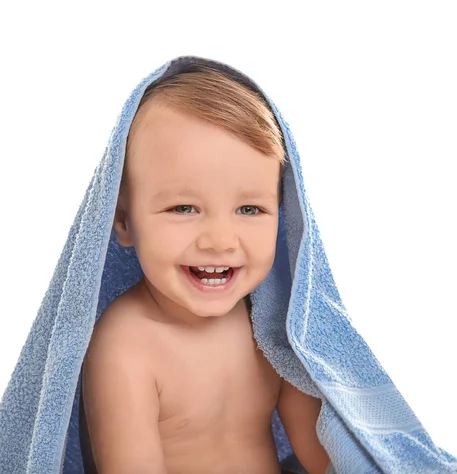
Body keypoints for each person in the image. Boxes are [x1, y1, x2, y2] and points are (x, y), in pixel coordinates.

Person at [80, 65, 331, 474]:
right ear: (124, 219)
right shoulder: (126, 345)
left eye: (249, 208)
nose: (219, 239)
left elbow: (323, 453)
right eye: (184, 208)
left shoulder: (271, 324)